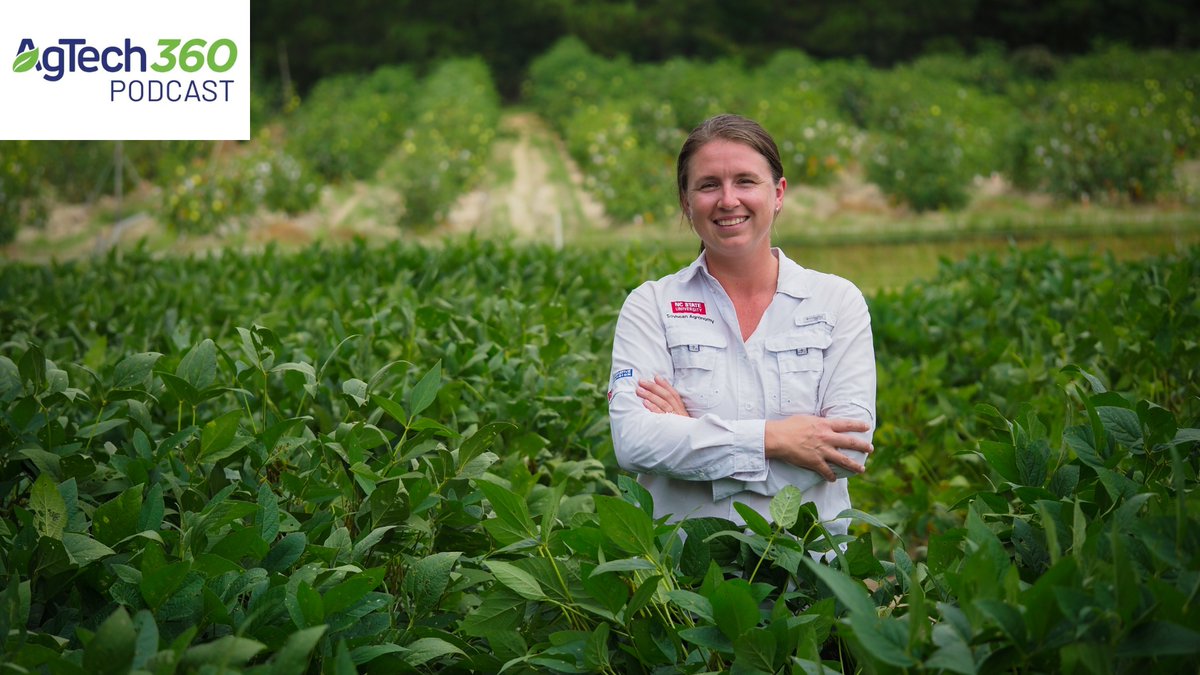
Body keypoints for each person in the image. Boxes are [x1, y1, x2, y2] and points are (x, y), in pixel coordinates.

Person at [607, 114, 876, 540]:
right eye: (709, 184)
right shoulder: (651, 305)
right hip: (681, 580)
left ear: (779, 193)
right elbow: (636, 442)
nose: (728, 199)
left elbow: (845, 450)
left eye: (746, 181)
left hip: (808, 572)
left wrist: (689, 441)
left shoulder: (836, 302)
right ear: (685, 200)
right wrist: (777, 439)